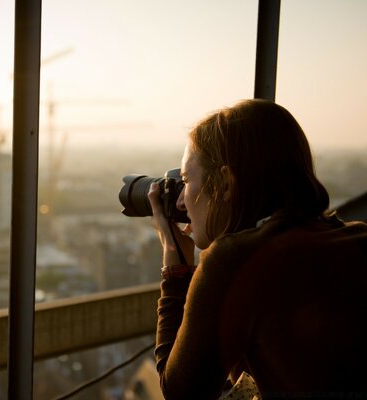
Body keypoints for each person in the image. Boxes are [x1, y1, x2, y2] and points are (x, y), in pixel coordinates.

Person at [147, 99, 367, 399]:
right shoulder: (357, 238)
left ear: (225, 183)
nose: (181, 202)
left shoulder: (234, 261)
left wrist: (173, 258)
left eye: (185, 181)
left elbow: (181, 393)